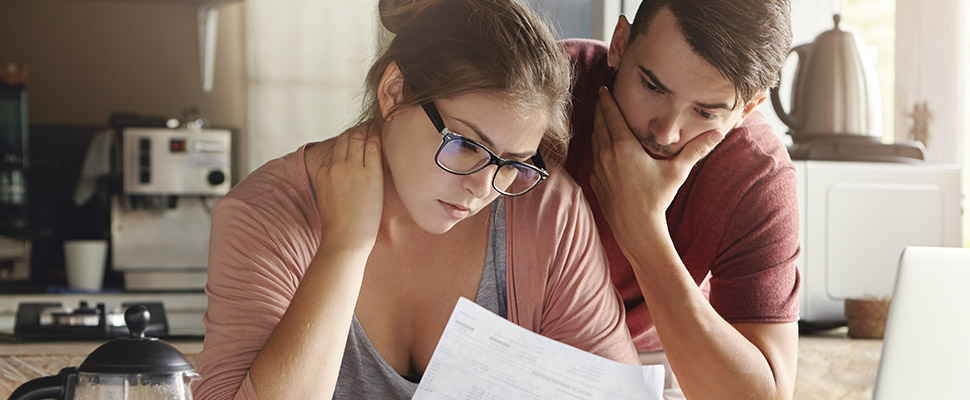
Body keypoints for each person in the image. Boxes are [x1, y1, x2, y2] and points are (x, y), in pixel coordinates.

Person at [192, 0, 639, 398]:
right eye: (466, 144)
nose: (484, 188)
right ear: (394, 93)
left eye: (513, 162)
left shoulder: (547, 212)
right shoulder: (265, 216)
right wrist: (344, 247)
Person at [560, 0, 800, 399]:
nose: (667, 132)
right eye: (653, 87)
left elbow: (765, 396)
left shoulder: (756, 174)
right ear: (620, 42)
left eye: (705, 113)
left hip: (658, 360)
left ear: (749, 107)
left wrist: (643, 231)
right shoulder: (541, 88)